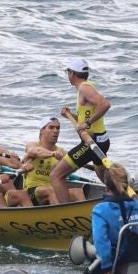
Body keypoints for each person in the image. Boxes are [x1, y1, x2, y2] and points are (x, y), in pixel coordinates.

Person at [50, 58, 112, 204]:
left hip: (92, 143)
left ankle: (66, 212)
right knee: (105, 179)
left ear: (72, 74)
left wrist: (87, 123)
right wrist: (70, 115)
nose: (68, 75)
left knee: (56, 175)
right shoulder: (86, 87)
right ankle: (121, 196)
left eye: (68, 72)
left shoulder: (84, 88)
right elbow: (84, 120)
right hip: (100, 140)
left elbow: (105, 104)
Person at [22, 117, 85, 205]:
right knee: (50, 190)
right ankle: (62, 215)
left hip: (52, 190)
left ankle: (88, 217)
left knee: (77, 192)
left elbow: (79, 161)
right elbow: (35, 151)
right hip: (31, 192)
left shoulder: (61, 151)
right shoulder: (32, 145)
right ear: (42, 130)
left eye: (58, 128)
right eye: (51, 127)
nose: (55, 131)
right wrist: (52, 154)